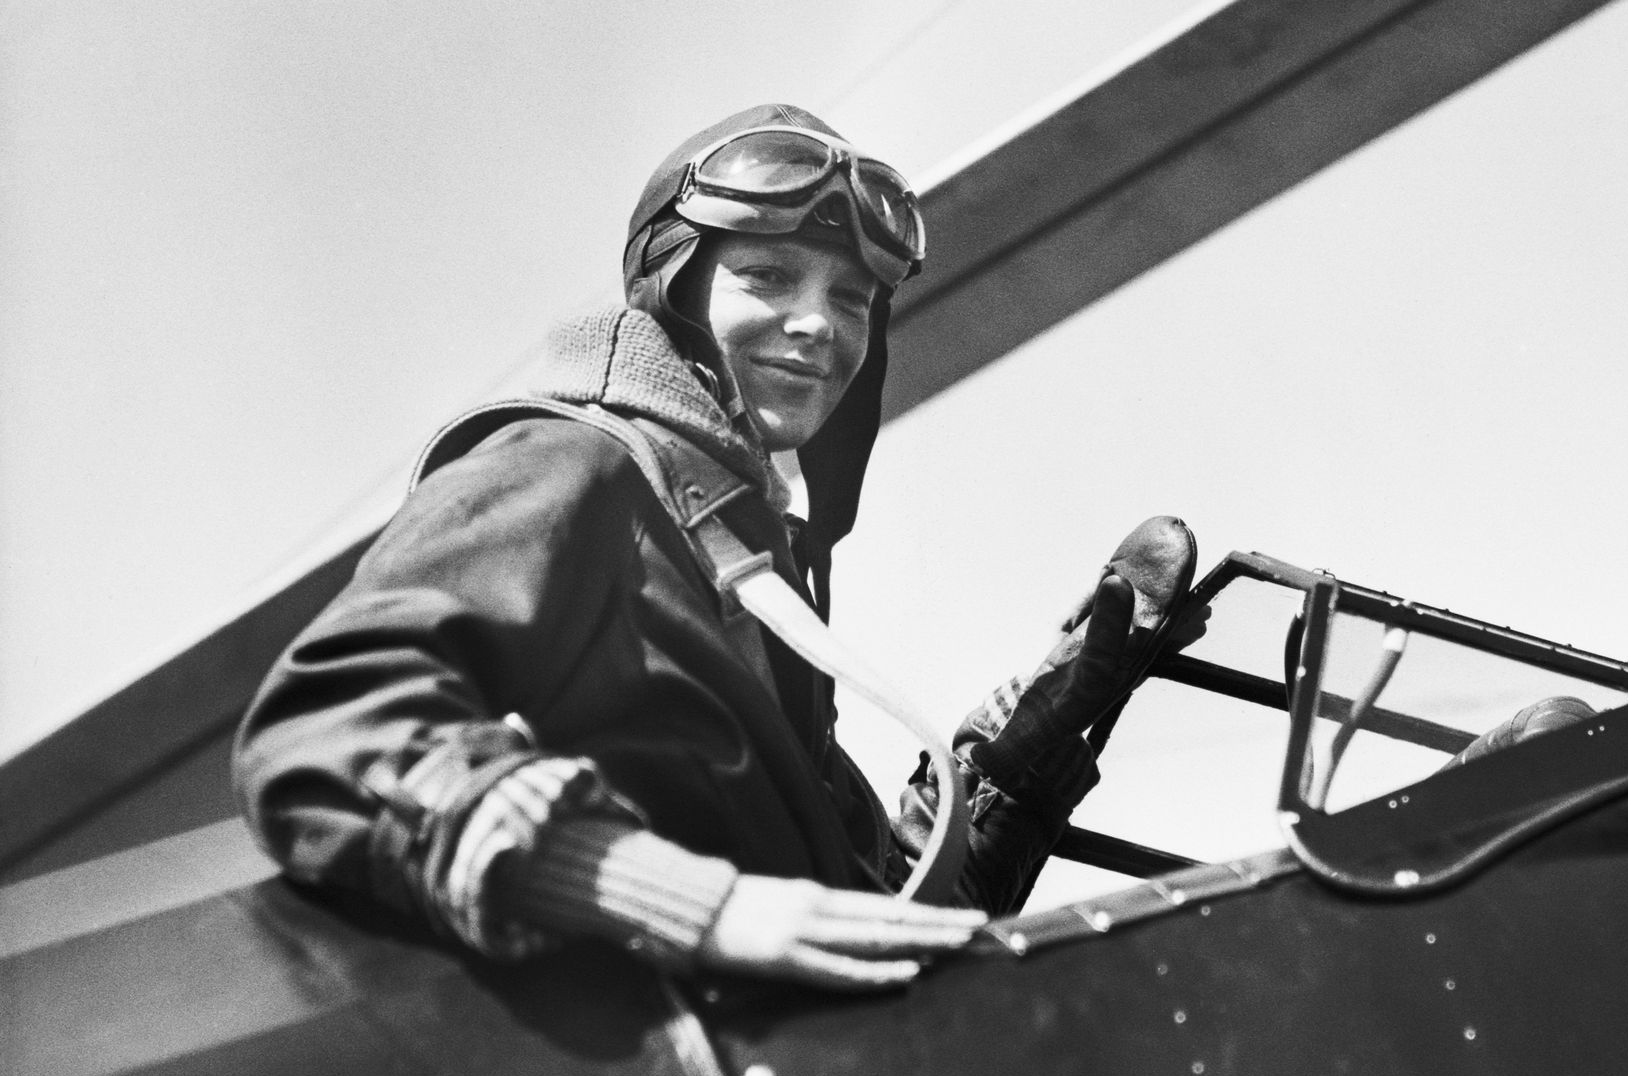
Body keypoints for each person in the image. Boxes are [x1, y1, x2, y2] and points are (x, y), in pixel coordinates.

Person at [233, 104, 1197, 991]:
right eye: (768, 277)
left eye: (853, 299)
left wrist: (1013, 779)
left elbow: (870, 925)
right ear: (678, 289)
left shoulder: (739, 569)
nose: (819, 323)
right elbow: (327, 726)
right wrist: (693, 905)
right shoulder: (576, 466)